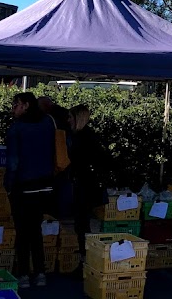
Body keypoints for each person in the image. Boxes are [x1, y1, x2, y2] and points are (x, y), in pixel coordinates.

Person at [5, 92, 56, 290]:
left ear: (25, 105)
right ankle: (40, 272)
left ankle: (24, 274)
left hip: (23, 186)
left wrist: (9, 185)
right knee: (35, 230)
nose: (13, 108)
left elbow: (13, 162)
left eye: (15, 104)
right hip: (44, 185)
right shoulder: (47, 123)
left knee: (22, 231)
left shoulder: (17, 128)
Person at [69, 104, 107, 266]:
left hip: (85, 185)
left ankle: (86, 260)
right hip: (88, 184)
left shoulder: (83, 138)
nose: (68, 120)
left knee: (82, 224)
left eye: (71, 117)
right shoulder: (88, 136)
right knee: (83, 223)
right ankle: (86, 259)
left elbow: (81, 161)